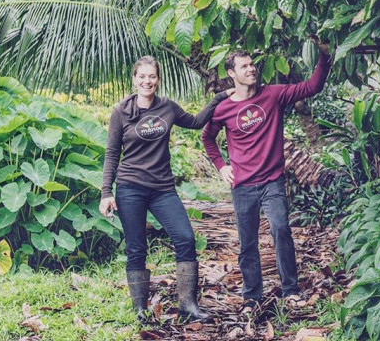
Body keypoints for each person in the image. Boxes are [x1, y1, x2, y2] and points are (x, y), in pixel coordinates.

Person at [99, 55, 233, 323]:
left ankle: (188, 305)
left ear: (158, 80)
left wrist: (218, 98)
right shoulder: (121, 111)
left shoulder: (167, 108)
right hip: (130, 188)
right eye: (142, 76)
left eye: (152, 76)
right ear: (135, 79)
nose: (147, 81)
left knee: (185, 238)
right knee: (137, 248)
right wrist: (106, 192)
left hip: (162, 188)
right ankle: (140, 310)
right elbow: (112, 153)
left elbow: (196, 122)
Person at [201, 40, 332, 312]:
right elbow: (208, 138)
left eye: (252, 64)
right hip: (243, 185)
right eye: (244, 66)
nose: (251, 69)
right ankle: (252, 297)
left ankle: (290, 290)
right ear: (232, 74)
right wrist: (221, 165)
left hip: (272, 180)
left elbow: (312, 87)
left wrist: (324, 55)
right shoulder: (223, 108)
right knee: (247, 242)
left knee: (281, 229)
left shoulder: (273, 94)